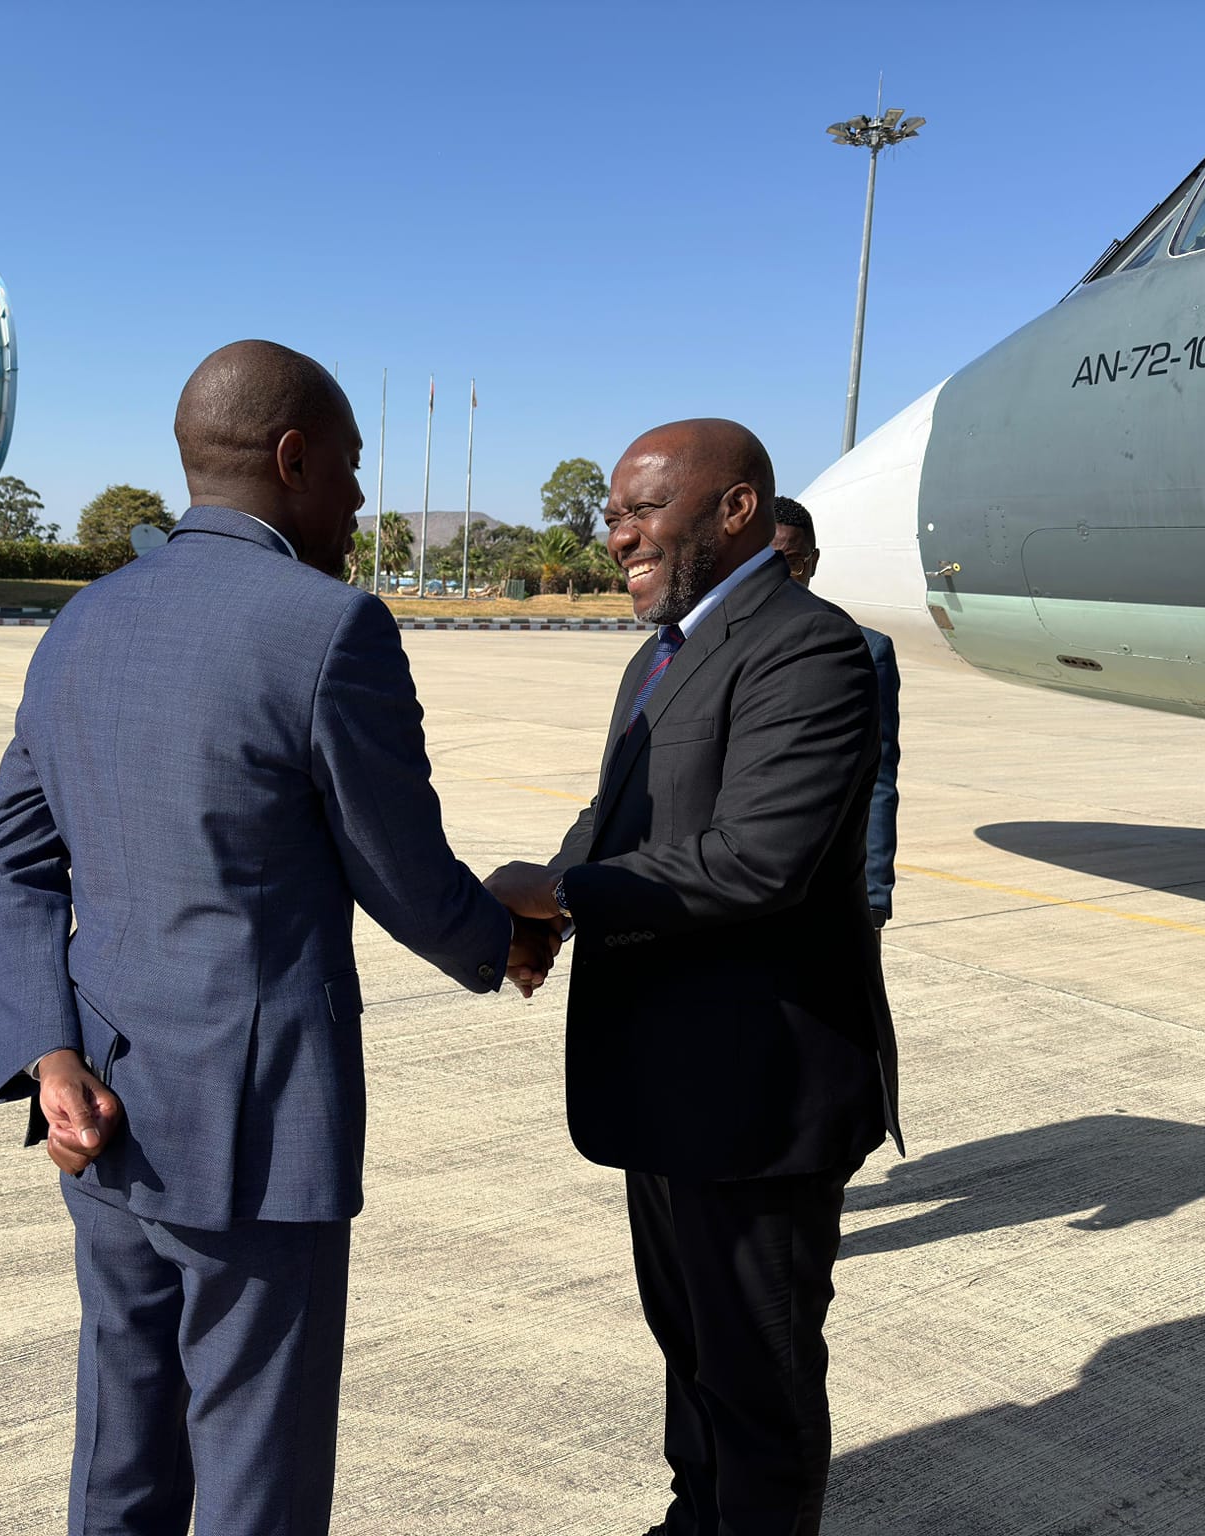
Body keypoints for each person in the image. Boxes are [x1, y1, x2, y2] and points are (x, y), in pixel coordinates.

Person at [0, 339, 557, 1536]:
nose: (354, 499)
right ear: (291, 459)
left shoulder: (80, 622)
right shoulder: (327, 628)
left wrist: (49, 1052)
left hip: (101, 1109)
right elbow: (397, 870)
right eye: (346, 468)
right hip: (254, 1131)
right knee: (257, 1463)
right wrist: (500, 932)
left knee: (120, 1440)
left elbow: (10, 867)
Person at [485, 420, 900, 1536]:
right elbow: (615, 819)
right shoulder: (659, 649)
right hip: (662, 1080)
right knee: (689, 1348)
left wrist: (561, 894)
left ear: (734, 510)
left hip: (752, 1094)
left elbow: (756, 861)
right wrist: (544, 916)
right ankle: (692, 1516)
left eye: (640, 510)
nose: (616, 533)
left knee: (756, 1375)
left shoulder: (806, 648)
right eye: (612, 513)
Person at [771, 497, 901, 930]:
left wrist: (875, 895)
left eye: (791, 562)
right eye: (765, 561)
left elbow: (879, 780)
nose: (778, 576)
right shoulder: (710, 646)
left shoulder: (864, 649)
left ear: (812, 563)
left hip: (830, 893)